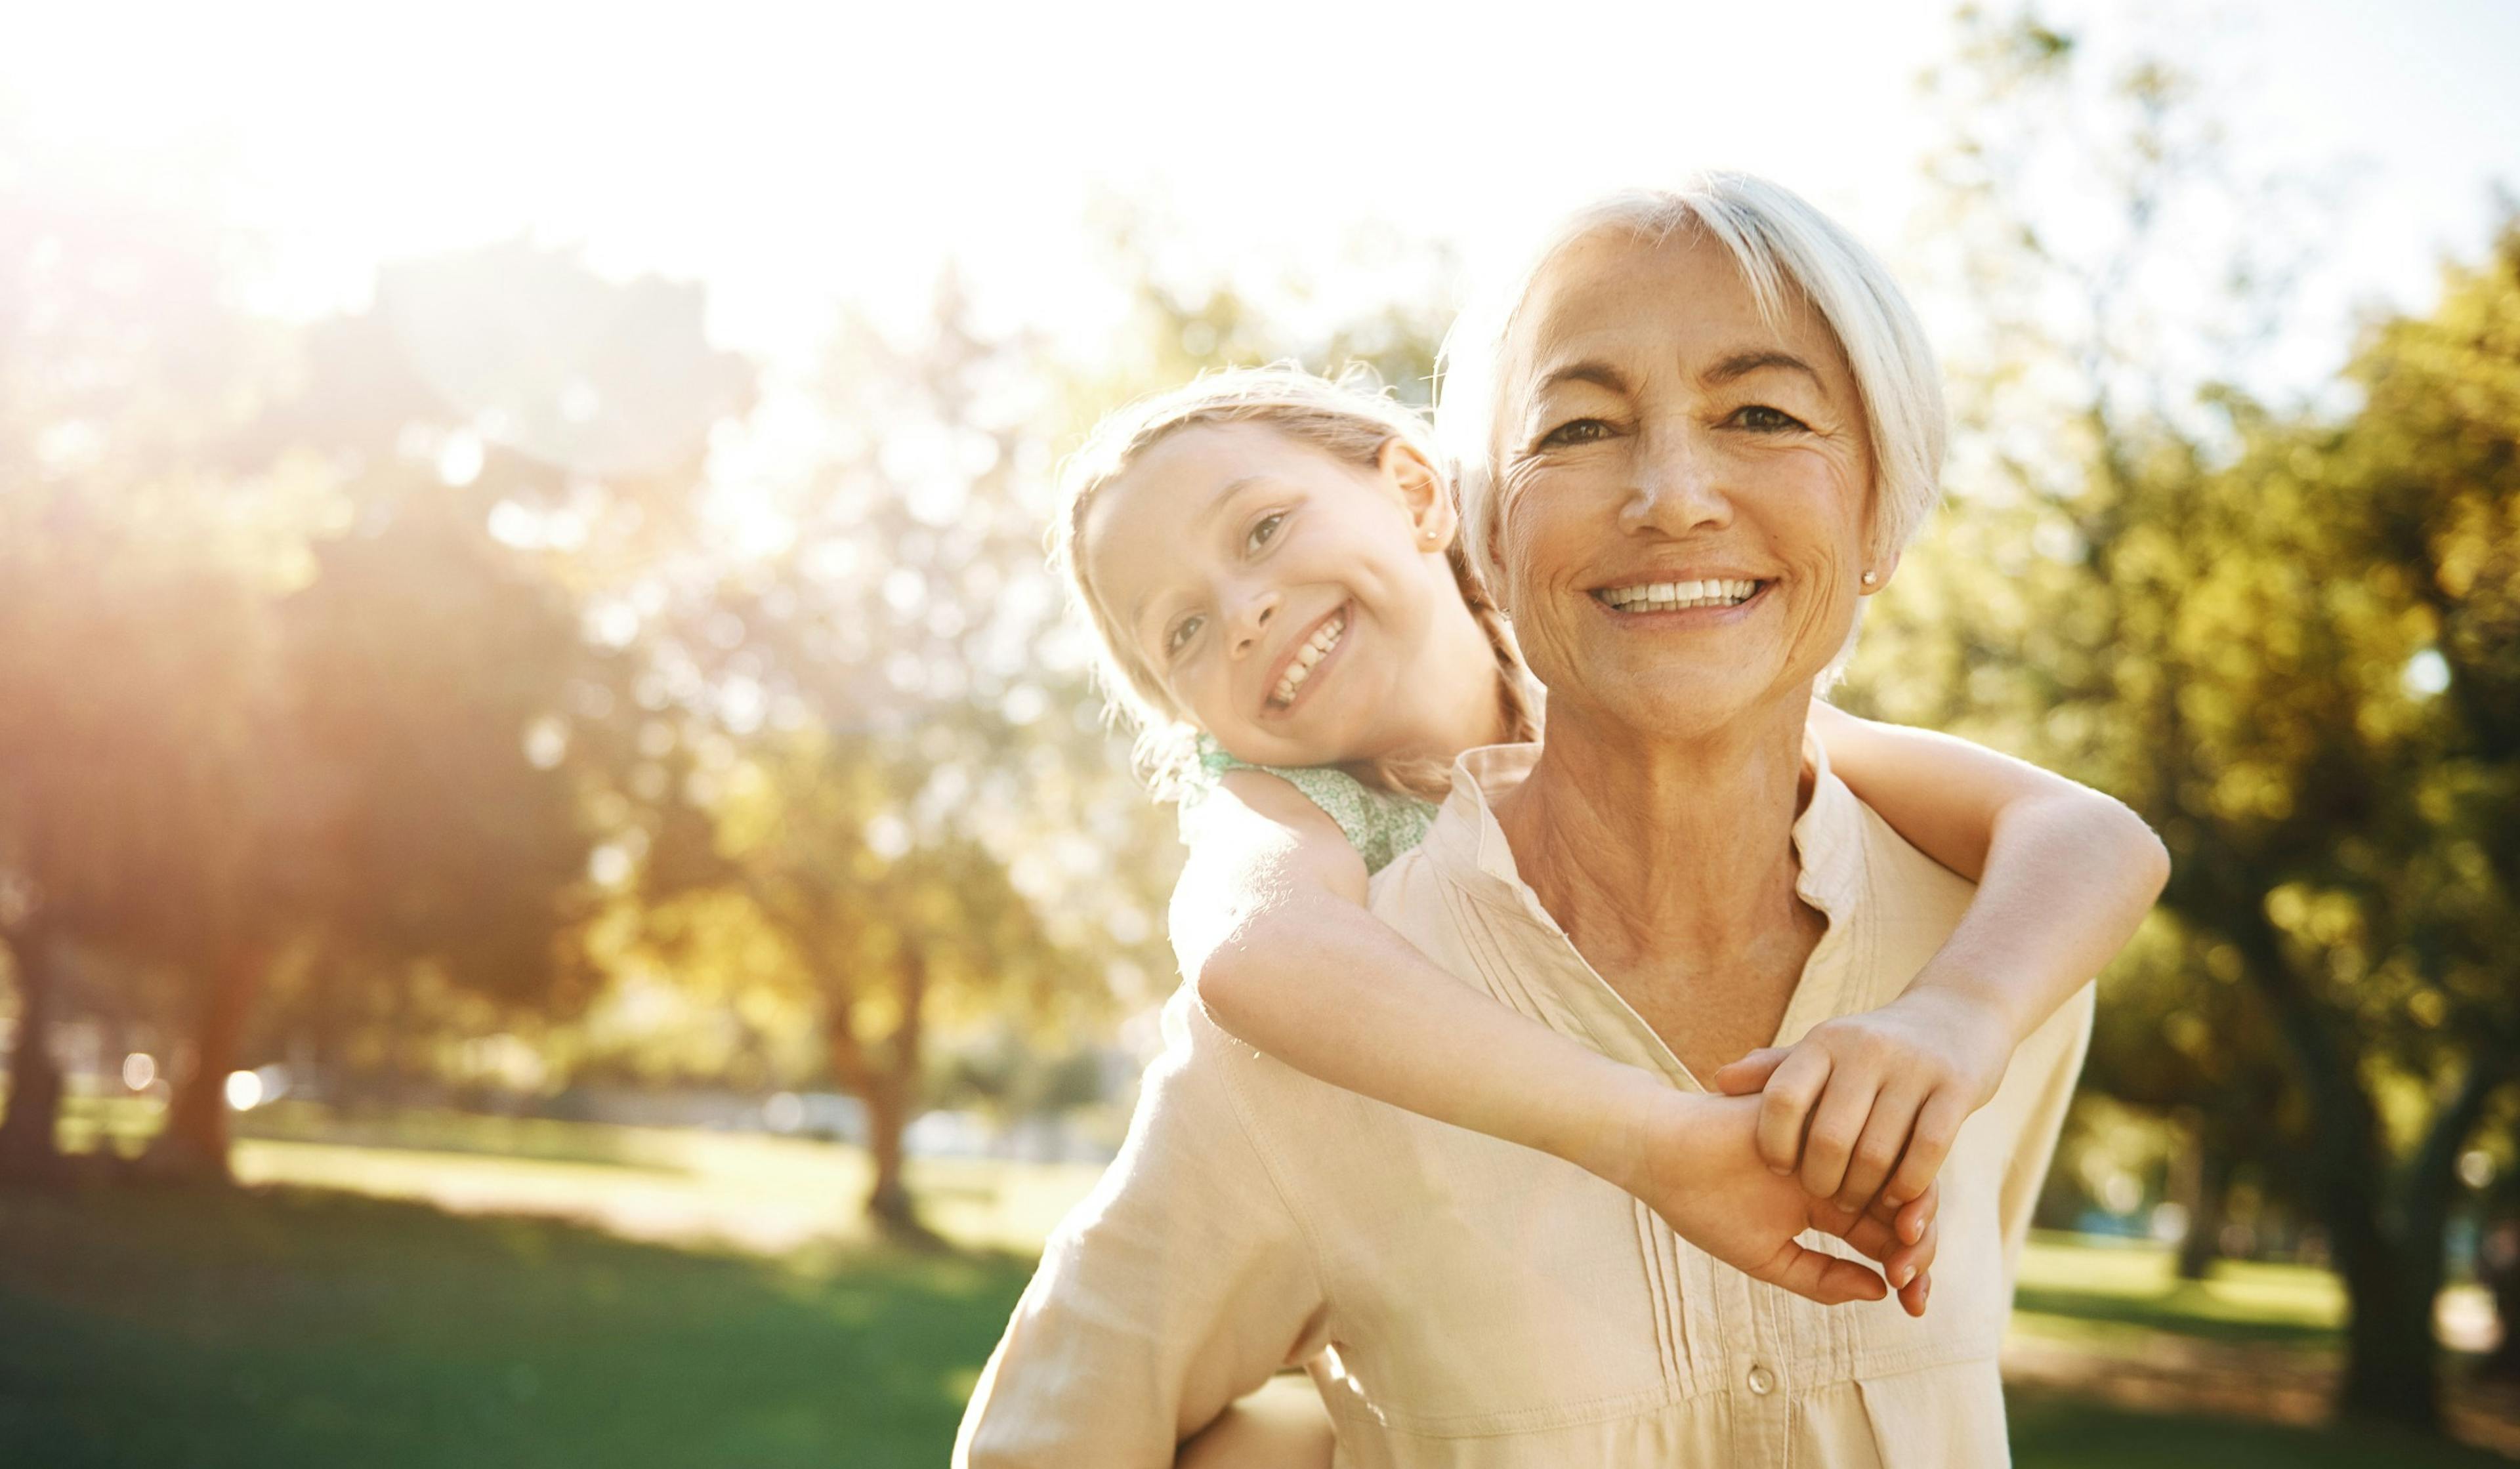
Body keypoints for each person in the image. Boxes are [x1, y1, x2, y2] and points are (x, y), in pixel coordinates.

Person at [959, 174, 2139, 1465]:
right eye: (1578, 430)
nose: (1675, 497)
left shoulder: (1983, 935)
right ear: (1492, 514)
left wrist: (1959, 1013)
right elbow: (1252, 953)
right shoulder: (1288, 896)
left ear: (1426, 502)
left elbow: (2092, 834)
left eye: (1760, 412)